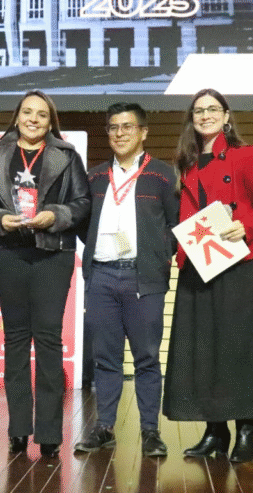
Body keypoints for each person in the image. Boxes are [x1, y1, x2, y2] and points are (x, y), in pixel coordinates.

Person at [162, 89, 253, 463]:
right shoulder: (185, 162)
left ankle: (246, 431)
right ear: (191, 118)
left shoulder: (245, 155)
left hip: (236, 262)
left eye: (213, 109)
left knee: (239, 347)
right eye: (199, 110)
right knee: (203, 348)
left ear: (226, 115)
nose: (205, 115)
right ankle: (215, 431)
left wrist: (245, 225)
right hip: (198, 262)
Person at [0, 90, 90, 458]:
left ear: (51, 120)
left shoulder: (67, 156)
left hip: (52, 253)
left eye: (41, 114)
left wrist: (56, 216)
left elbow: (83, 202)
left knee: (49, 339)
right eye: (27, 112)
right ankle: (18, 429)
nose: (33, 119)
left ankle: (50, 431)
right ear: (17, 115)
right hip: (7, 251)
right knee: (16, 339)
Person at [74, 103, 179, 457]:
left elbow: (176, 224)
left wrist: (158, 255)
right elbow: (82, 224)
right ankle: (104, 427)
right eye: (113, 127)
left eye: (127, 127)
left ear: (143, 132)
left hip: (143, 278)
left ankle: (150, 431)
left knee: (147, 357)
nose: (119, 134)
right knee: (105, 358)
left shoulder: (163, 175)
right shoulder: (94, 177)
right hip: (102, 276)